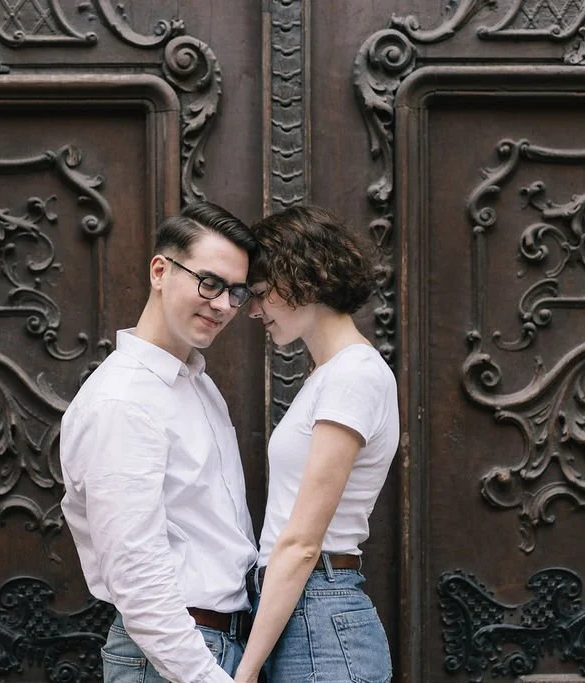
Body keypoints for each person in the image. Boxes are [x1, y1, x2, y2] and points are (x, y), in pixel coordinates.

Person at [59, 201, 259, 683]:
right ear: (160, 271)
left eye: (236, 292)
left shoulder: (199, 386)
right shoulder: (123, 401)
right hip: (173, 661)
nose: (223, 305)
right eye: (209, 282)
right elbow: (136, 575)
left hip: (225, 646)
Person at [234, 206, 399, 683]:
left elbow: (304, 543)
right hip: (306, 613)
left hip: (320, 616)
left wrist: (244, 673)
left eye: (261, 294)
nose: (253, 310)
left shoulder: (352, 376)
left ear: (303, 278)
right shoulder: (331, 376)